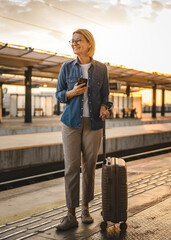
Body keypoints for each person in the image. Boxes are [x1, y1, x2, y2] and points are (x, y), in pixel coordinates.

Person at [56, 28, 110, 231]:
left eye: (78, 40)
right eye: (71, 41)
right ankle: (71, 214)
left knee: (89, 167)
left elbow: (106, 95)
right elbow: (59, 94)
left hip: (93, 124)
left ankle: (85, 209)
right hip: (70, 123)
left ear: (89, 43)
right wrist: (71, 92)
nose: (74, 44)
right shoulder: (66, 67)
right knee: (71, 168)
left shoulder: (101, 69)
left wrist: (105, 107)